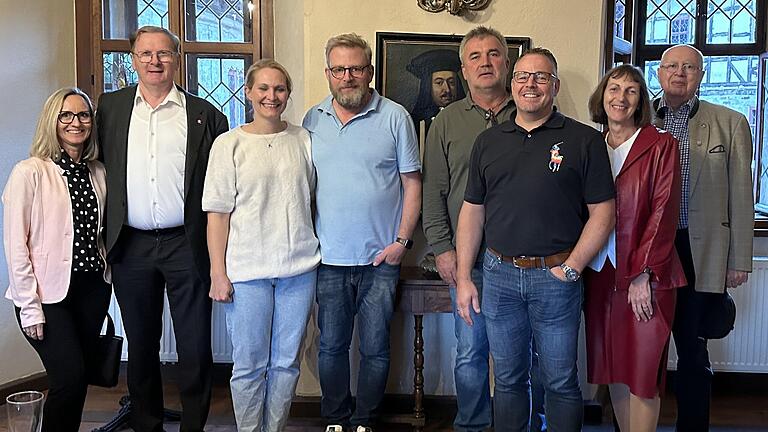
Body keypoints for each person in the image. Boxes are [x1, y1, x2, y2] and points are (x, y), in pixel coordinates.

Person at [455, 47, 615, 432]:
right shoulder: (489, 142)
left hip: (556, 278)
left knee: (560, 380)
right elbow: (472, 211)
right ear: (512, 85)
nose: (531, 84)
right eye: (524, 77)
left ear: (555, 86)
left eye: (541, 77)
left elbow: (604, 212)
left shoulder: (583, 140)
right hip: (499, 276)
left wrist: (573, 267)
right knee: (508, 379)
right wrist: (463, 278)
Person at [96, 26, 228, 432]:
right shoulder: (110, 108)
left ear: (177, 57)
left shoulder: (206, 115)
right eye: (146, 53)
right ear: (133, 59)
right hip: (130, 245)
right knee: (141, 344)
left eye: (164, 54)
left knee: (194, 346)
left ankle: (193, 425)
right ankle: (146, 423)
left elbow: (222, 187)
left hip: (187, 244)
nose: (155, 61)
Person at [302, 33, 422, 432]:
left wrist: (401, 243)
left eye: (356, 68)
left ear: (370, 72)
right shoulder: (311, 119)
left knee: (375, 349)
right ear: (328, 74)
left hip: (379, 261)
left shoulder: (395, 116)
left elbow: (412, 183)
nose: (348, 76)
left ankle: (365, 421)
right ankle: (336, 420)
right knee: (332, 347)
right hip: (328, 259)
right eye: (340, 69)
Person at [202, 59, 320, 432]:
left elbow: (311, 199)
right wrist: (217, 273)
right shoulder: (229, 144)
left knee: (287, 363)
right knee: (250, 364)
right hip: (247, 271)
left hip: (299, 269)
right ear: (248, 92)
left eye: (280, 89)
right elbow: (217, 214)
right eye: (264, 89)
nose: (272, 96)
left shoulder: (303, 139)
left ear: (288, 94)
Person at [653, 44, 754, 431]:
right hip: (651, 251)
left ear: (702, 75)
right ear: (659, 73)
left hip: (700, 251)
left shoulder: (730, 122)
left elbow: (742, 195)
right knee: (646, 348)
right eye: (672, 66)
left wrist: (738, 259)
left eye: (690, 67)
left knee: (694, 350)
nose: (680, 73)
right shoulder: (638, 115)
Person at [584, 64, 687, 432]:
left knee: (643, 374)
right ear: (603, 96)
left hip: (647, 277)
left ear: (641, 100)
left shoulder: (660, 145)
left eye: (631, 90)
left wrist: (643, 273)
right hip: (600, 274)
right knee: (614, 367)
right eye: (614, 89)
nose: (621, 97)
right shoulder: (590, 146)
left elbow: (663, 212)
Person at [422, 26, 514, 432]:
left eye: (494, 54)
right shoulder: (446, 123)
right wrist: (443, 250)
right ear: (463, 69)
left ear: (506, 63)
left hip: (520, 261)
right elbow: (433, 192)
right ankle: (472, 426)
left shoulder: (533, 112)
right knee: (470, 353)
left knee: (518, 357)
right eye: (475, 56)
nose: (486, 62)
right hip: (468, 263)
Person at [3, 87, 110, 431]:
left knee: (78, 382)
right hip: (47, 297)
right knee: (69, 378)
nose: (75, 122)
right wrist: (29, 305)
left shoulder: (98, 172)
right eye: (66, 115)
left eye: (83, 115)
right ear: (53, 121)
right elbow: (15, 244)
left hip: (92, 291)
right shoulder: (30, 172)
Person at [407, 48, 466, 142]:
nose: (447, 89)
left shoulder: (466, 118)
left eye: (451, 82)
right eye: (439, 83)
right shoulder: (414, 123)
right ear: (428, 87)